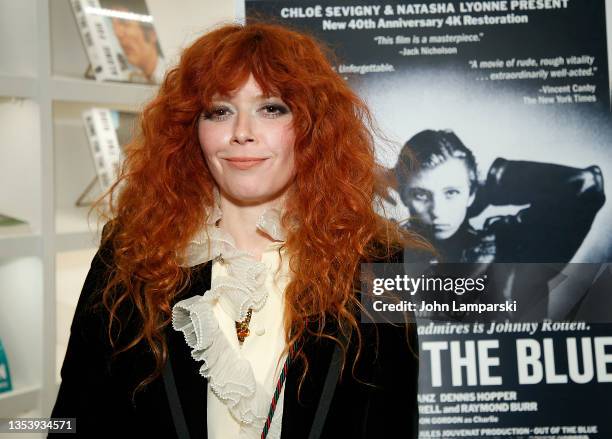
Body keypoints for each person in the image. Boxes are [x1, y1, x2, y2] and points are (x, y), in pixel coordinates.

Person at [50, 22, 428, 438]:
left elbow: (393, 423)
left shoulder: (377, 264)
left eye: (272, 108)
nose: (242, 132)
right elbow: (72, 419)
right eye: (220, 111)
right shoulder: (130, 254)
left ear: (311, 128)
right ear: (191, 130)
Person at [394, 129, 605, 319]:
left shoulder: (509, 248)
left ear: (472, 193)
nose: (438, 211)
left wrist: (489, 181)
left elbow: (585, 184)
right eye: (421, 194)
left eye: (451, 193)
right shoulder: (386, 252)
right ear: (404, 196)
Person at [102, 0, 166, 84]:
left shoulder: (171, 79)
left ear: (152, 34)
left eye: (124, 23)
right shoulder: (131, 77)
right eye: (113, 24)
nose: (118, 33)